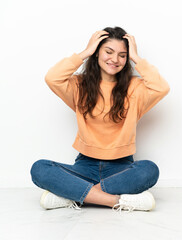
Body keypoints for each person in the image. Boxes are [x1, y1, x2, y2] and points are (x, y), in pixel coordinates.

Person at [30, 26, 170, 212]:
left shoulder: (136, 88)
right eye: (108, 52)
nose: (115, 59)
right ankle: (116, 201)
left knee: (149, 170)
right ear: (97, 53)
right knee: (39, 169)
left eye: (122, 55)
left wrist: (136, 58)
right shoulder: (79, 85)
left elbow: (162, 88)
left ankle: (73, 195)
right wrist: (85, 52)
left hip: (121, 167)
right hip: (84, 166)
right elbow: (52, 78)